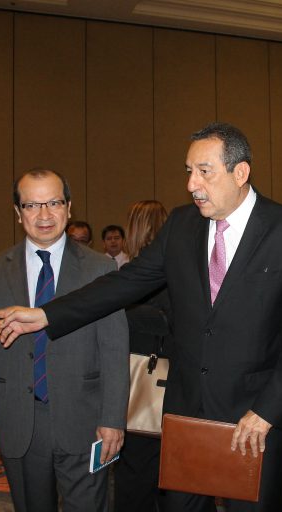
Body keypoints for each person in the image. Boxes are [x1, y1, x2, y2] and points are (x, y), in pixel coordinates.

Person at [0, 122, 282, 512]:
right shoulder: (181, 224)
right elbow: (126, 282)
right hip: (186, 415)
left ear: (240, 172)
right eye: (189, 171)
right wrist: (47, 314)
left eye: (204, 171)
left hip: (255, 418)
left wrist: (267, 410)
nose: (191, 184)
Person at [0, 169, 129, 512]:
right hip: (19, 422)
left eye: (54, 202)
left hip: (85, 420)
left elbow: (114, 351)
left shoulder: (99, 269)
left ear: (69, 207)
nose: (44, 214)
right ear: (18, 212)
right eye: (32, 205)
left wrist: (113, 418)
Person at [114, 200, 170, 512]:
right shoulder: (181, 268)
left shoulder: (139, 273)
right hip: (169, 381)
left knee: (136, 467)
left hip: (143, 380)